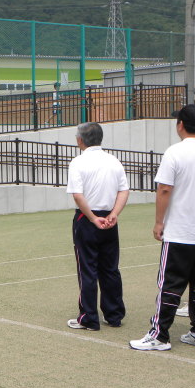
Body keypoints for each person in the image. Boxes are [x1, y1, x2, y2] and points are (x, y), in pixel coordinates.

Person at [130, 104, 195, 351]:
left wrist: (159, 222)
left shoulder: (175, 152)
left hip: (180, 232)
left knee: (170, 285)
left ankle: (159, 335)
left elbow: (164, 189)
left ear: (180, 124)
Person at [65, 122, 129, 331]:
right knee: (110, 268)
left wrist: (92, 218)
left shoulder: (78, 162)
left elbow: (77, 195)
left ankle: (89, 317)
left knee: (87, 268)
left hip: (87, 219)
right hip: (109, 218)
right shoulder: (113, 160)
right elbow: (123, 190)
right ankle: (114, 315)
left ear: (80, 140)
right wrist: (114, 214)